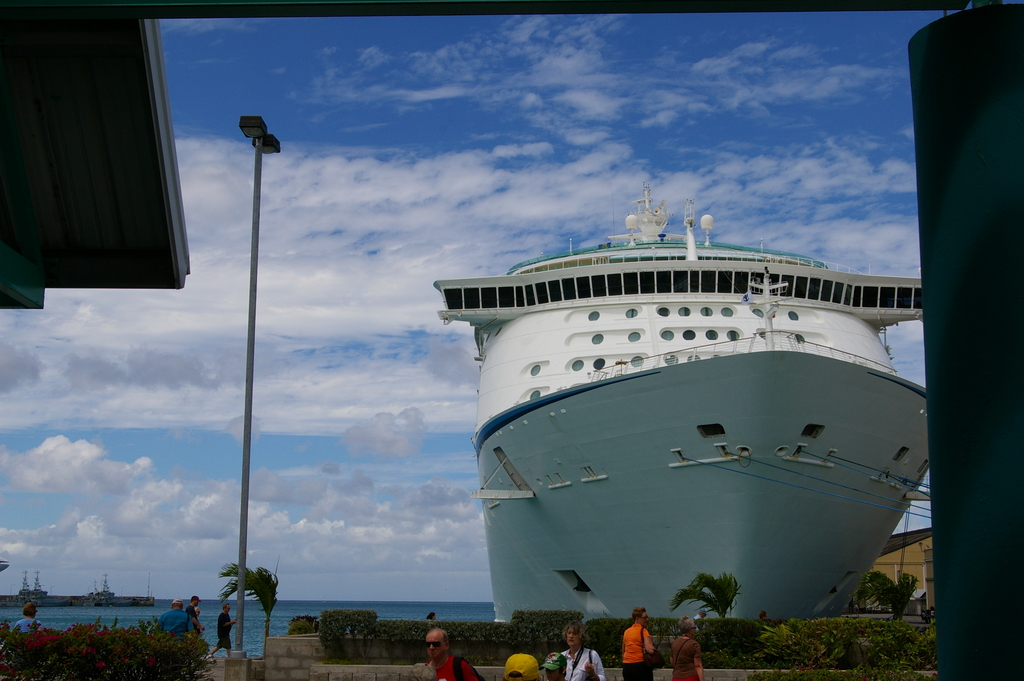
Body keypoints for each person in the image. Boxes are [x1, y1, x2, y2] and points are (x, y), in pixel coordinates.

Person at [621, 606, 657, 681]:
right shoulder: (643, 631)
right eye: (644, 617)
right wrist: (651, 643)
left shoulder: (627, 632)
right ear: (637, 618)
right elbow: (650, 650)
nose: (647, 619)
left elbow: (623, 650)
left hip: (627, 665)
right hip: (640, 664)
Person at [669, 616, 704, 681]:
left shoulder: (675, 643)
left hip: (677, 677)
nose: (695, 630)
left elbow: (672, 662)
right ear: (689, 630)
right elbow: (698, 666)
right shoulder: (694, 644)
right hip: (691, 676)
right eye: (694, 628)